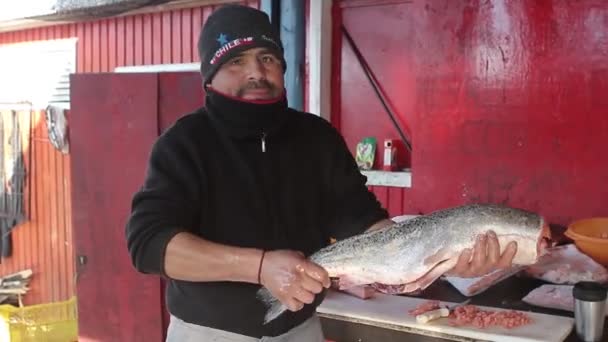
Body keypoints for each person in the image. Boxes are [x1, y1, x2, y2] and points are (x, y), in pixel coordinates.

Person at [125, 4, 518, 341]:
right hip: (206, 333)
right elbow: (148, 243)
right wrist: (259, 267)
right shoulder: (183, 143)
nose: (255, 73)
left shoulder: (317, 137)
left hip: (300, 331)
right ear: (209, 77)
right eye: (235, 61)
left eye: (267, 58)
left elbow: (364, 223)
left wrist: (449, 254)